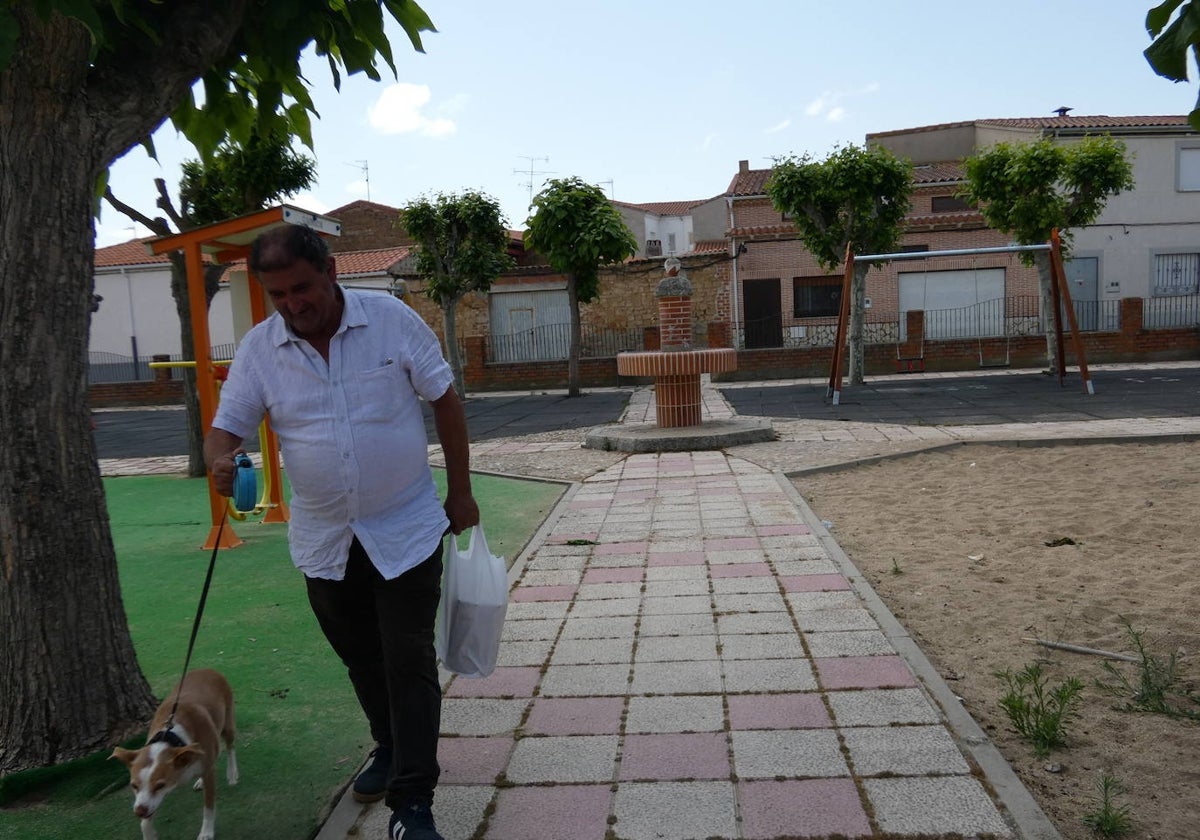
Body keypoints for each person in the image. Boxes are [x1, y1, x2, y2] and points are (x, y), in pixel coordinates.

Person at [204, 224, 477, 840]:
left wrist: (460, 491)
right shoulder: (258, 349)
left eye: (301, 287)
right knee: (361, 659)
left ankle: (413, 804)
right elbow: (227, 428)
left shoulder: (391, 320)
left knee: (408, 661)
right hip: (326, 540)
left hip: (405, 526)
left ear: (330, 271)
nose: (293, 304)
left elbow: (446, 400)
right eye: (278, 295)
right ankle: (388, 745)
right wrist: (221, 459)